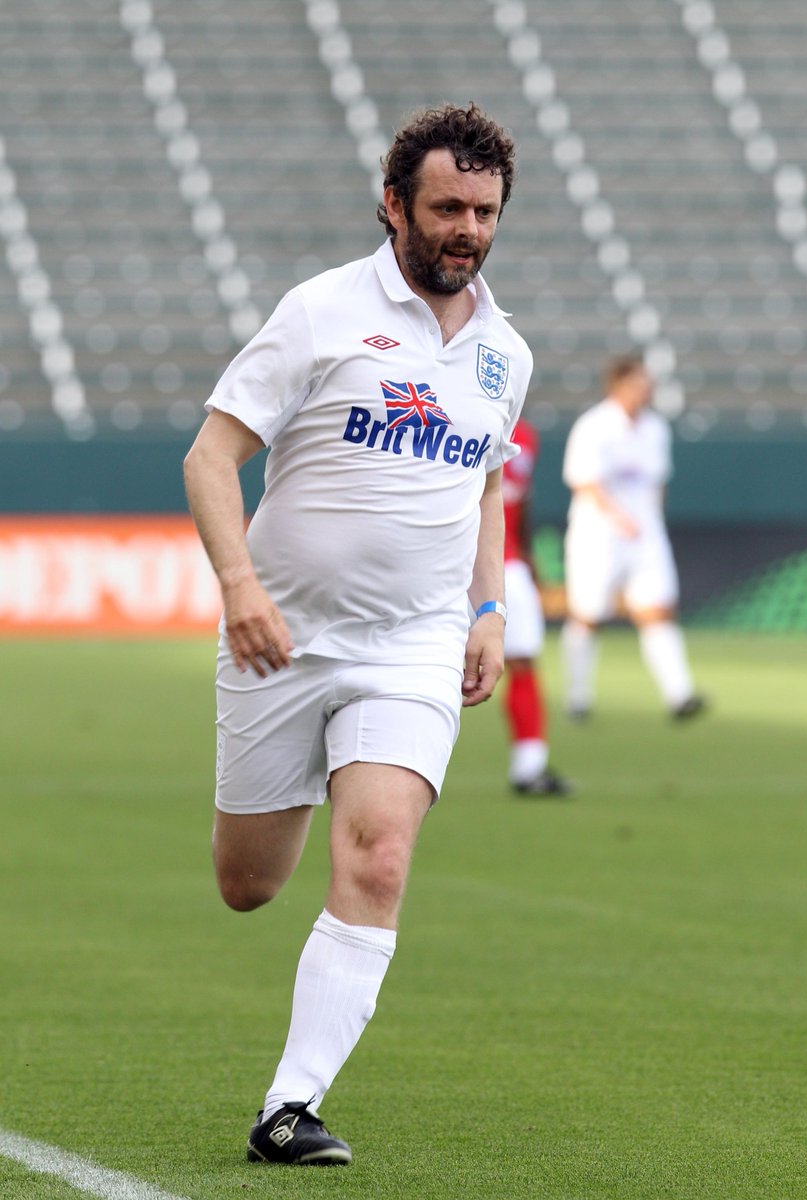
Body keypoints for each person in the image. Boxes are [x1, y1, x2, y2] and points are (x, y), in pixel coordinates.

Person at [183, 104, 530, 1167]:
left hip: (413, 646)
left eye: (483, 211)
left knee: (377, 858)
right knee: (249, 884)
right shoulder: (321, 313)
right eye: (445, 207)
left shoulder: (503, 353)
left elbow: (480, 488)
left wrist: (487, 611)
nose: (465, 228)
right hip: (281, 639)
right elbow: (208, 458)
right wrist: (239, 587)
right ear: (394, 205)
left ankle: (290, 1106)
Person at [561, 354, 706, 721]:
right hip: (599, 535)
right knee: (588, 615)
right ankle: (577, 697)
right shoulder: (594, 426)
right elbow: (585, 483)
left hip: (644, 536)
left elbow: (657, 482)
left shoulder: (656, 428)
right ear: (619, 385)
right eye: (639, 382)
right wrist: (619, 518)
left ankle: (680, 694)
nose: (647, 389)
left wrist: (648, 520)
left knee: (657, 611)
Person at [501, 417, 572, 795]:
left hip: (508, 561)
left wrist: (527, 553)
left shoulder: (526, 433)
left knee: (522, 658)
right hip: (452, 560)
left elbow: (520, 497)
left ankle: (529, 767)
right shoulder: (451, 409)